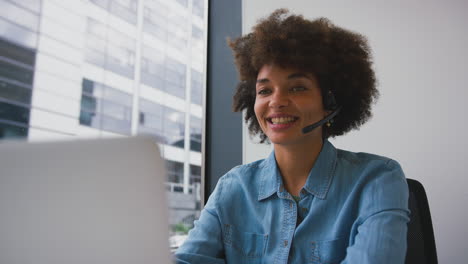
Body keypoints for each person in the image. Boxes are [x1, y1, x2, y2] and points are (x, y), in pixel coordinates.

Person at [175, 9, 409, 264]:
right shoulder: (232, 187)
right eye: (264, 90)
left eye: (297, 87)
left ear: (330, 102)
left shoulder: (376, 179)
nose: (276, 102)